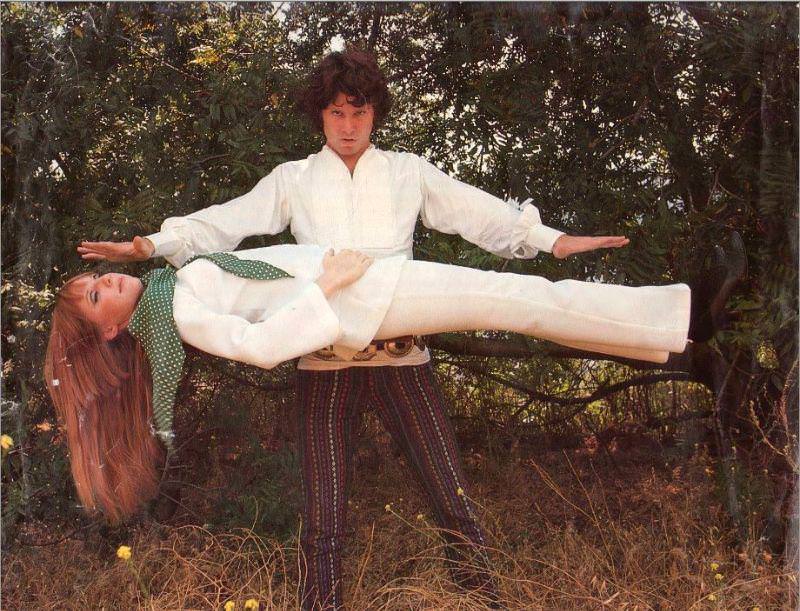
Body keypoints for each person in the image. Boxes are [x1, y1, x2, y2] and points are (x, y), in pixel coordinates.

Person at [74, 49, 737, 609]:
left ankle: (484, 600)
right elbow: (222, 222)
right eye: (335, 111)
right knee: (324, 523)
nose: (347, 124)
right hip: (326, 360)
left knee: (454, 503)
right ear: (321, 115)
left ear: (375, 113)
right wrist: (147, 245)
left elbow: (479, 215)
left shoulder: (408, 172)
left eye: (359, 111)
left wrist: (549, 239)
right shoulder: (293, 180)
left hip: (401, 354)